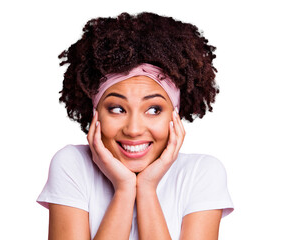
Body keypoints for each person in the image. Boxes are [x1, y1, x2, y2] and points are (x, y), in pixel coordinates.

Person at [37, 12, 234, 239]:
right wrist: (124, 188)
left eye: (153, 110)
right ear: (95, 113)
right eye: (117, 109)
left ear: (175, 115)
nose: (133, 129)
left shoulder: (202, 173)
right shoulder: (72, 164)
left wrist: (147, 188)